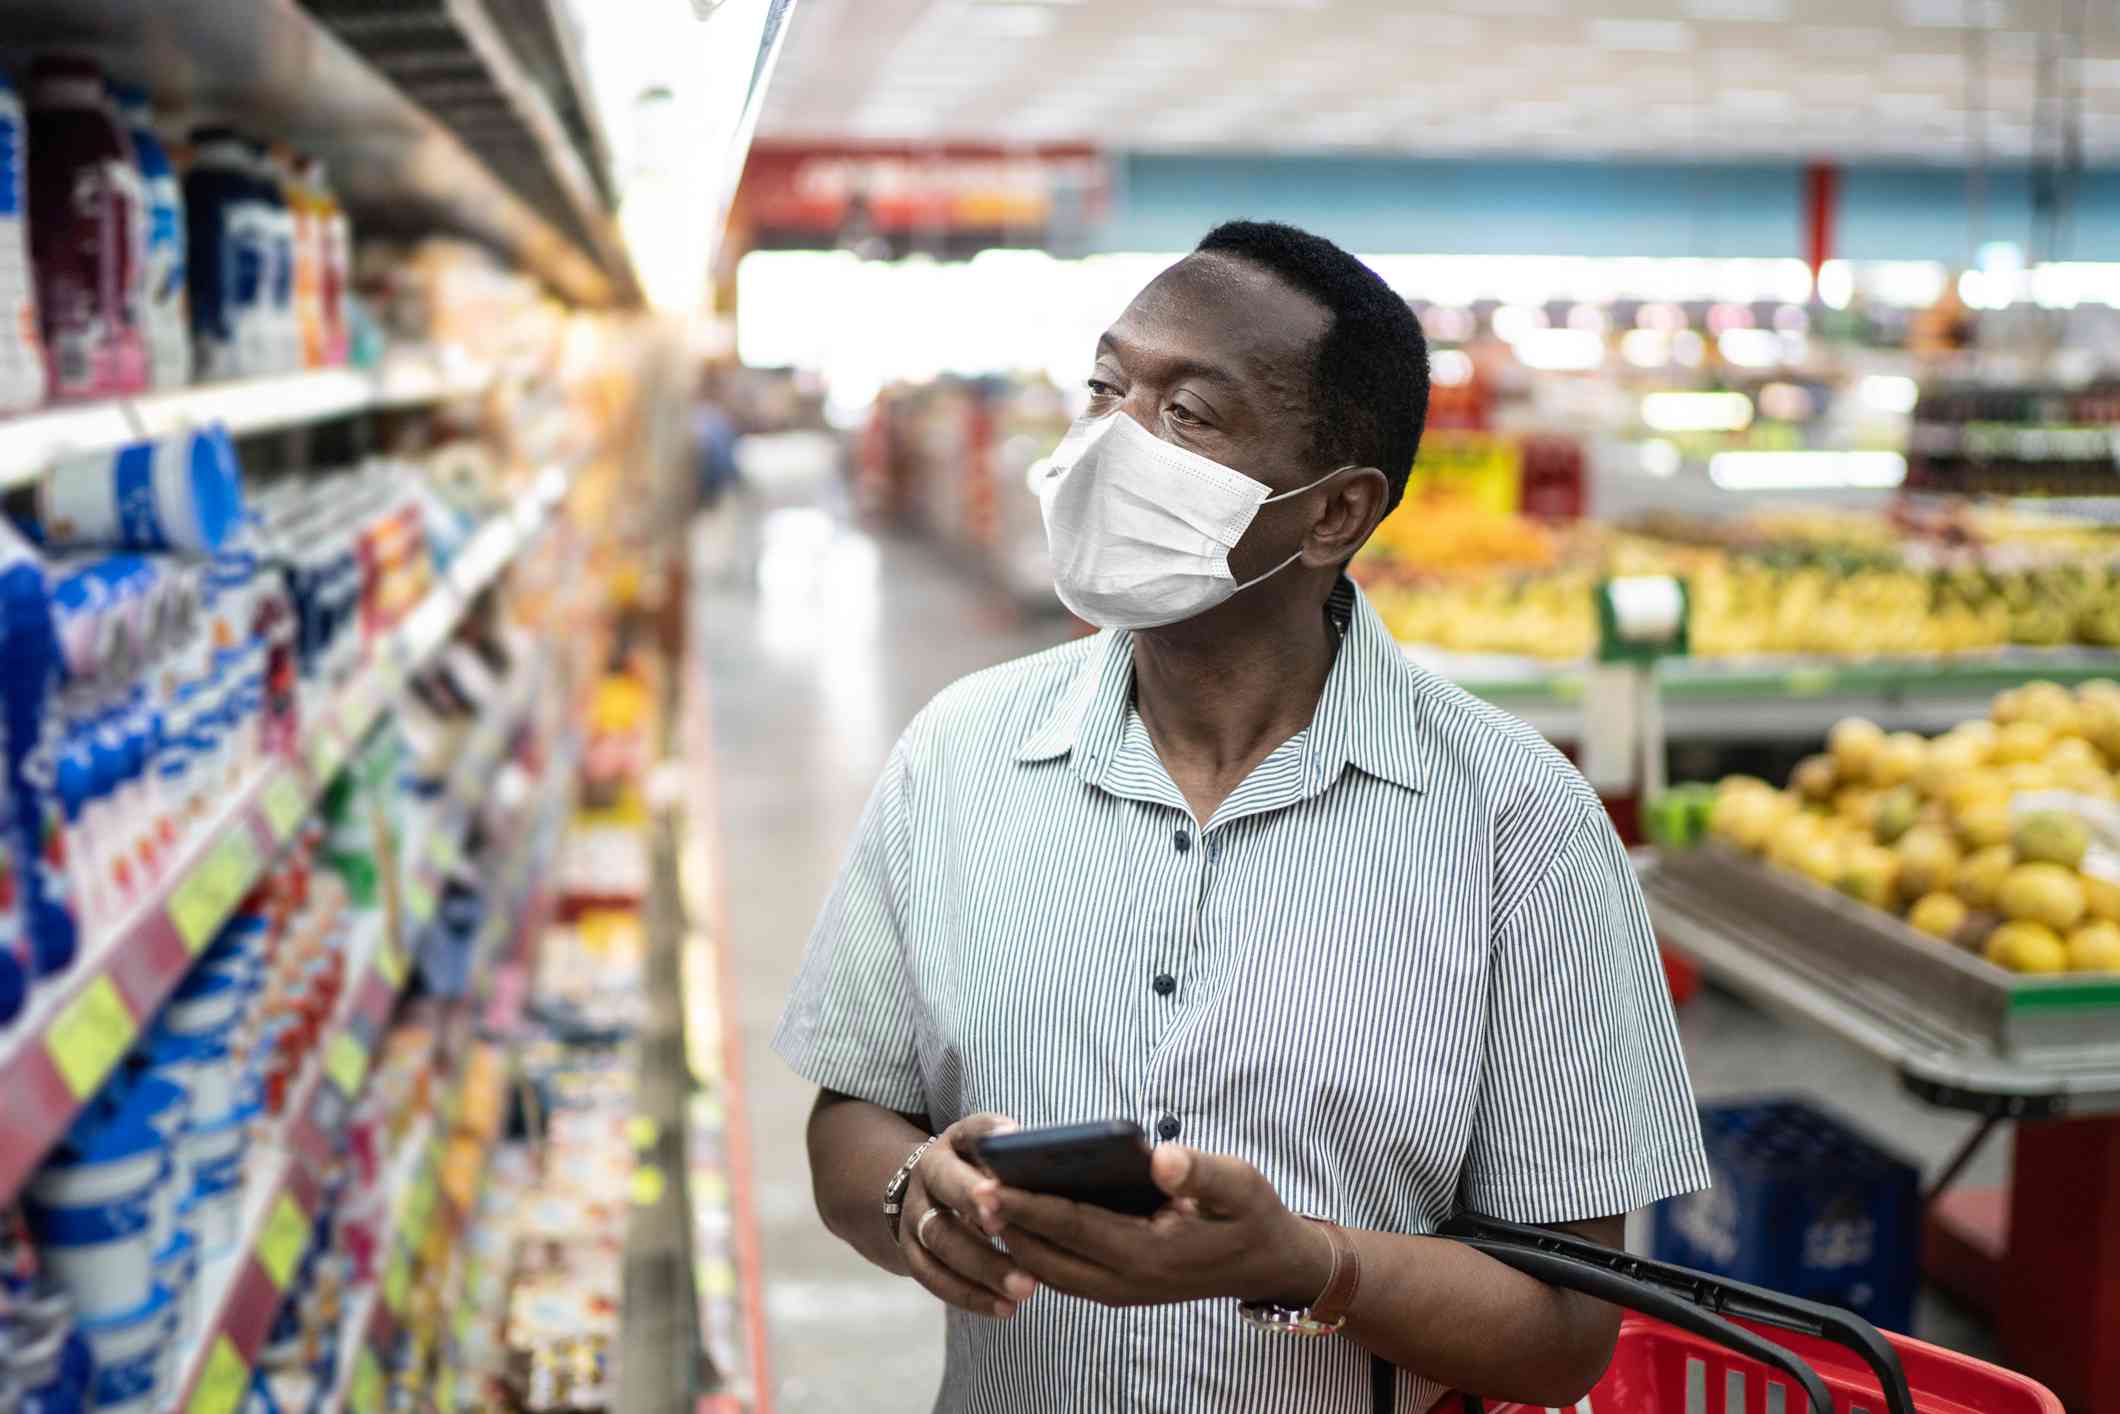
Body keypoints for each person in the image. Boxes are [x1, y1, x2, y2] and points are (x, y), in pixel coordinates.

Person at [774, 220, 1708, 1414]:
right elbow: (851, 1109)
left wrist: (1309, 1265)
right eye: (1104, 387)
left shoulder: (1514, 827)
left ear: (1332, 514)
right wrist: (913, 1190)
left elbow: (1568, 1327)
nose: (1111, 441)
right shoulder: (960, 753)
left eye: (1188, 415)